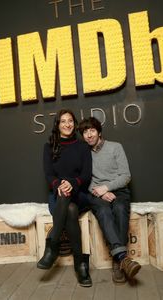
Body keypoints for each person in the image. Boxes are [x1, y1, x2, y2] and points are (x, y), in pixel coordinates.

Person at [78, 117, 141, 284]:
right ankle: (122, 259)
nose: (89, 135)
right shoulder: (84, 153)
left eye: (92, 130)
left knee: (120, 209)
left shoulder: (115, 147)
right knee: (105, 211)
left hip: (118, 191)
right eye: (85, 132)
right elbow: (84, 179)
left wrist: (107, 188)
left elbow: (126, 176)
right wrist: (99, 192)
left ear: (99, 132)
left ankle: (117, 261)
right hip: (96, 193)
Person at [37, 109, 92, 287]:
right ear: (58, 125)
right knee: (69, 209)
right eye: (63, 121)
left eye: (70, 121)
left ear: (74, 124)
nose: (67, 124)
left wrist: (72, 184)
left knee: (72, 204)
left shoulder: (83, 146)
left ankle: (52, 246)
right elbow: (48, 175)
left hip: (80, 194)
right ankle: (80, 264)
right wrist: (59, 185)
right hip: (58, 196)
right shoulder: (49, 147)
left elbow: (86, 175)